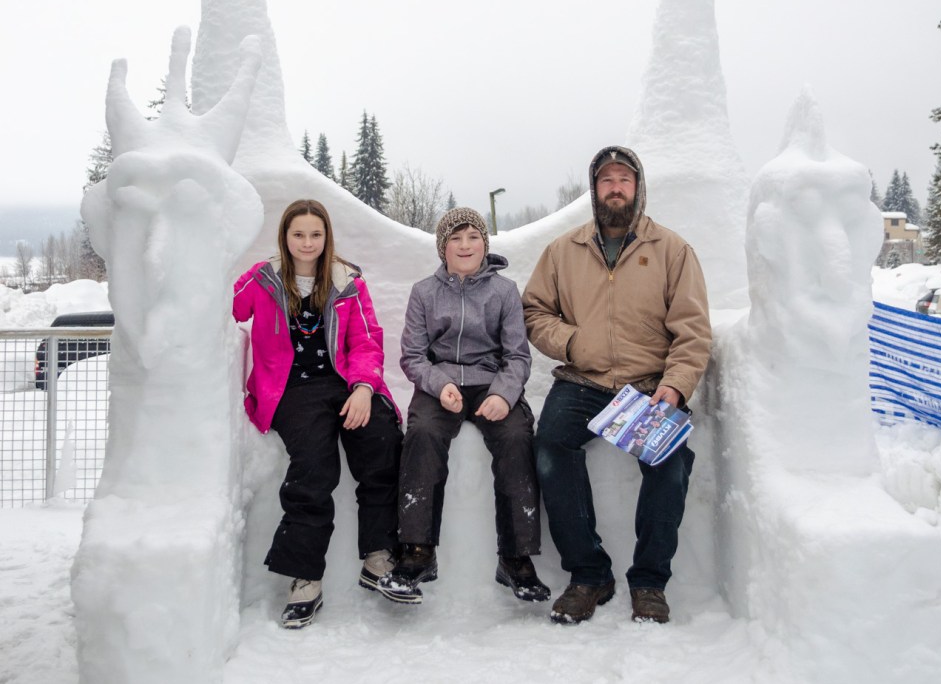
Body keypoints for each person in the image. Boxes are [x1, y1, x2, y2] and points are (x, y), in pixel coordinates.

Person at [522, 146, 711, 625]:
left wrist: (675, 386)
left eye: (624, 179)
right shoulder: (563, 251)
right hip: (583, 381)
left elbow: (693, 331)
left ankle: (649, 582)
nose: (615, 188)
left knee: (671, 463)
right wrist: (572, 342)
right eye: (606, 180)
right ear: (594, 190)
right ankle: (589, 574)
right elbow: (534, 312)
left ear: (638, 188)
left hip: (649, 385)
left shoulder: (672, 250)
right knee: (550, 446)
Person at [233, 198, 403, 629]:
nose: (307, 243)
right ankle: (305, 577)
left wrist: (363, 389)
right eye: (298, 234)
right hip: (290, 389)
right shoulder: (264, 279)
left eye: (315, 234)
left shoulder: (347, 282)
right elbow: (226, 308)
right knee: (313, 465)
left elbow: (366, 341)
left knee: (382, 441)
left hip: (344, 382)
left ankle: (378, 556)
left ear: (327, 237)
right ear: (284, 237)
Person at [377, 207, 550, 605]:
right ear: (443, 247)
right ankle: (418, 551)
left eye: (473, 237)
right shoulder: (424, 292)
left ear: (484, 244)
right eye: (455, 238)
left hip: (491, 382)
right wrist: (439, 385)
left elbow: (518, 356)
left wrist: (503, 394)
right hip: (441, 385)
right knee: (422, 434)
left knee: (516, 437)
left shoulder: (504, 291)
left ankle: (516, 557)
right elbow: (413, 356)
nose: (465, 245)